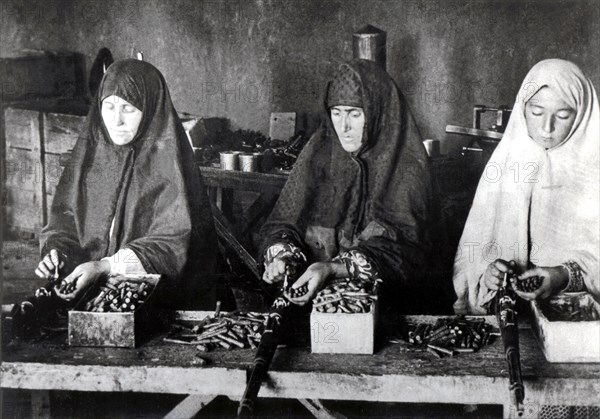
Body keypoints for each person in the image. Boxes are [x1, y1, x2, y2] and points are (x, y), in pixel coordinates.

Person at [35, 59, 217, 309]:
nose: (116, 120)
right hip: (96, 299)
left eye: (128, 109)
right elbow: (65, 220)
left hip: (165, 303)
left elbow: (172, 244)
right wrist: (57, 252)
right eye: (108, 106)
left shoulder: (171, 167)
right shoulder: (89, 159)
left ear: (151, 109)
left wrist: (105, 267)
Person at [260, 59, 434, 312]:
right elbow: (284, 222)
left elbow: (408, 252)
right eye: (337, 113)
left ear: (379, 114)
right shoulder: (318, 154)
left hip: (387, 312)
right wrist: (282, 257)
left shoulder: (408, 168)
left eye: (355, 113)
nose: (344, 126)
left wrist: (333, 268)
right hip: (312, 305)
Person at [453, 59, 599, 314]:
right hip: (511, 320)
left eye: (563, 115)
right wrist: (489, 276)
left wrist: (562, 276)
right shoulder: (506, 167)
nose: (546, 127)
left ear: (583, 114)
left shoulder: (593, 172)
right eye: (536, 112)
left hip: (580, 326)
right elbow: (471, 258)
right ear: (522, 108)